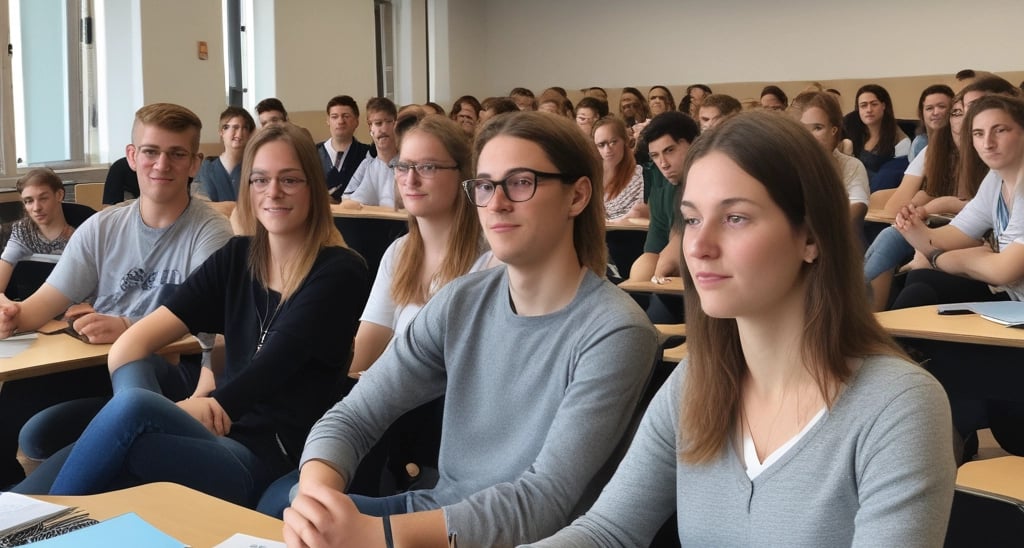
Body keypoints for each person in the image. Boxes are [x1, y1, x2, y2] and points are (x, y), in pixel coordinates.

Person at [526, 110, 954, 548]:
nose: (698, 246)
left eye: (735, 218)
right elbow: (607, 531)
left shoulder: (898, 407)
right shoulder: (694, 383)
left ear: (810, 237)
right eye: (691, 219)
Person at [281, 111, 658, 547]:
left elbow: (544, 501)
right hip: (434, 516)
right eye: (484, 185)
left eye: (520, 182)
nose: (496, 203)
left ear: (577, 196)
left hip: (521, 538)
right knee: (289, 509)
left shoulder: (616, 331)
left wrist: (376, 535)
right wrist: (316, 498)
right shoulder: (462, 300)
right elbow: (355, 414)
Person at [12, 123, 370, 507]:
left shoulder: (340, 270)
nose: (273, 192)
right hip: (215, 434)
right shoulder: (237, 258)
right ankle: (18, 514)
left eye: (290, 180)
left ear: (313, 187)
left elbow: (273, 366)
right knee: (132, 415)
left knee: (132, 422)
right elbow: (139, 339)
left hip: (269, 454)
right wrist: (157, 409)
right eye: (260, 179)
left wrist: (181, 408)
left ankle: (29, 525)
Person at [0, 103, 234, 488]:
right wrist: (12, 314)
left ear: (195, 163)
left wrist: (128, 327)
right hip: (97, 367)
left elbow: (211, 330)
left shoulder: (210, 232)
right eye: (151, 152)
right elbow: (39, 307)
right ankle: (20, 502)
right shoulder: (101, 228)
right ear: (132, 156)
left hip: (174, 370)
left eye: (177, 154)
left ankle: (33, 512)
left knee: (133, 367)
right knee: (26, 421)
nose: (162, 165)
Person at [891, 94, 1024, 309]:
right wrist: (914, 229)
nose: (988, 143)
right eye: (978, 134)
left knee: (922, 293)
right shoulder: (995, 178)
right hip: (1015, 300)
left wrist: (939, 259)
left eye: (1000, 130)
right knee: (920, 283)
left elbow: (1003, 270)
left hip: (1015, 303)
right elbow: (951, 236)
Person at [628, 112, 700, 286]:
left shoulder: (718, 185)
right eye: (655, 156)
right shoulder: (661, 187)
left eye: (669, 151)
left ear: (695, 145)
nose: (663, 164)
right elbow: (654, 249)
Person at [792, 91, 869, 225]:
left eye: (817, 128)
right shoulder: (783, 163)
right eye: (802, 128)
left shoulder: (851, 165)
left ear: (833, 130)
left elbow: (858, 205)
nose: (810, 136)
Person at [0, 169, 76, 295]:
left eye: (43, 198)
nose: (36, 208)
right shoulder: (23, 232)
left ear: (59, 195)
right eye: (29, 201)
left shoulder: (83, 231)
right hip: (30, 306)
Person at [844, 84, 911, 191]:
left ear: (883, 106)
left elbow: (894, 178)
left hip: (878, 194)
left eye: (874, 104)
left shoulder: (900, 140)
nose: (869, 110)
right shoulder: (851, 127)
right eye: (863, 105)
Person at [194, 106, 256, 213]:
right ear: (222, 132)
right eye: (235, 127)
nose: (240, 133)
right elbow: (201, 208)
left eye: (245, 128)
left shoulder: (255, 169)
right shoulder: (206, 168)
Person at [340, 97, 399, 208]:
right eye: (378, 123)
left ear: (395, 124)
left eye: (388, 122)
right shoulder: (368, 165)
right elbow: (346, 200)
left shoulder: (407, 164)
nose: (384, 129)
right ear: (370, 127)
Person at [319, 95, 375, 200]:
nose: (340, 121)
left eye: (346, 116)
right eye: (334, 117)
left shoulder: (368, 155)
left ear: (356, 121)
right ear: (328, 121)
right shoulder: (313, 152)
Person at [592, 116, 646, 222]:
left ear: (625, 141)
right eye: (601, 145)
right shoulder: (592, 176)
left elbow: (638, 215)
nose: (607, 149)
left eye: (613, 142)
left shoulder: (640, 175)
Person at [908, 85, 954, 162]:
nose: (935, 113)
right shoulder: (920, 142)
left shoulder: (960, 141)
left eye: (941, 107)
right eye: (929, 108)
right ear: (921, 113)